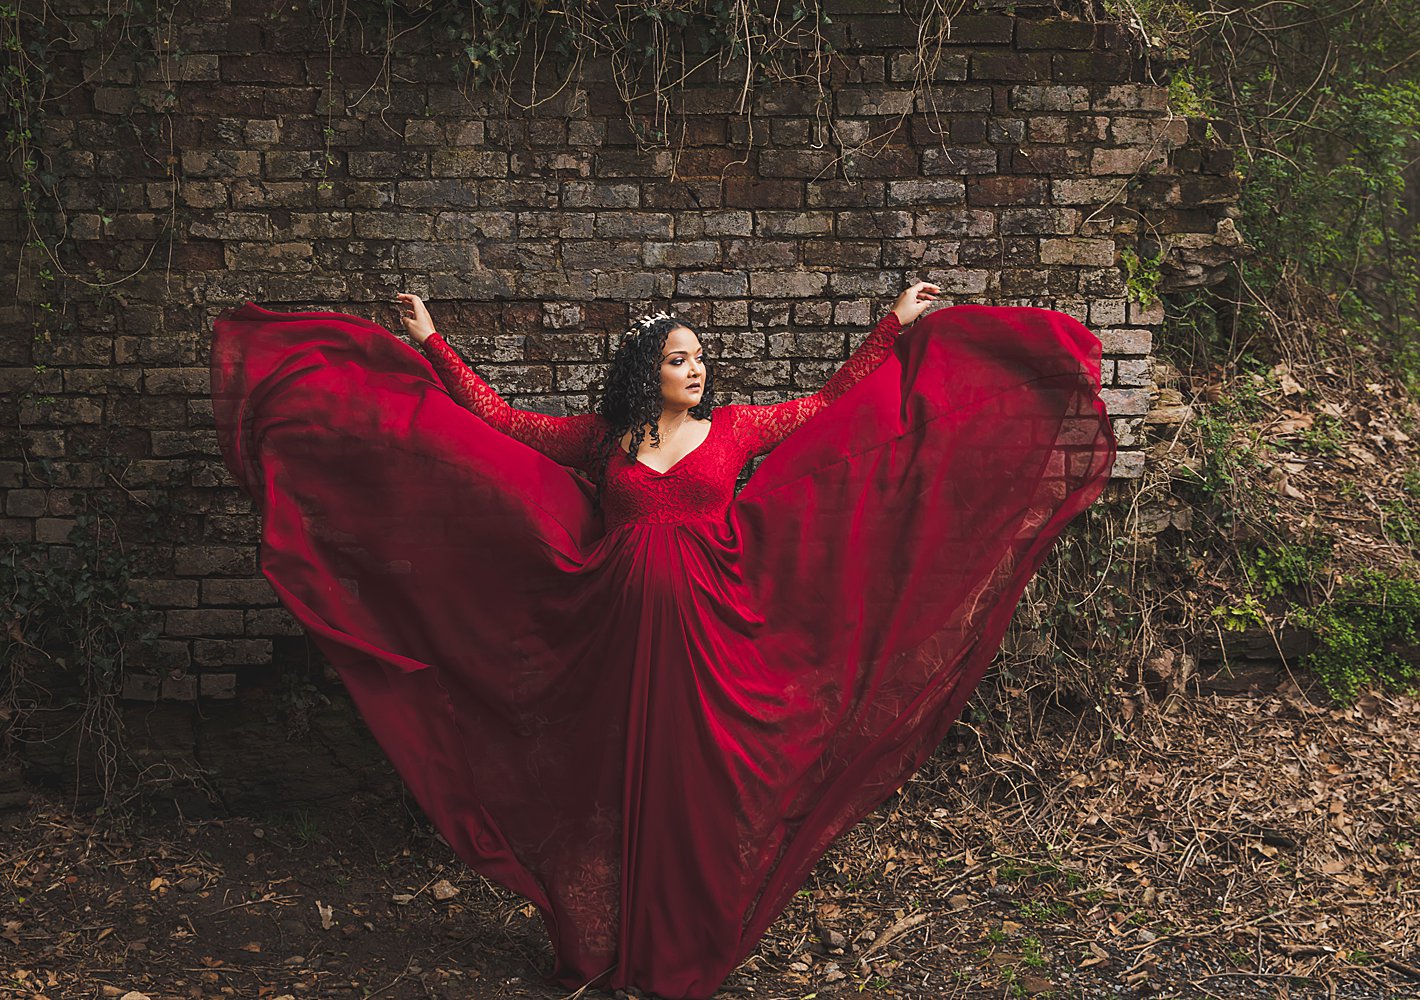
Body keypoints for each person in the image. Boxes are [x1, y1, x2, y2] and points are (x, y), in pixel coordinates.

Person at [209, 284, 1116, 999]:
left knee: (695, 785)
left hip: (711, 637)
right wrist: (430, 342)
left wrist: (892, 326)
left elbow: (835, 405)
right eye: (679, 357)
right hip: (608, 639)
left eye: (700, 357)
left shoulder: (735, 430)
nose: (697, 368)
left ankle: (680, 952)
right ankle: (605, 949)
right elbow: (498, 422)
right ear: (647, 368)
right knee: (609, 784)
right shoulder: (604, 440)